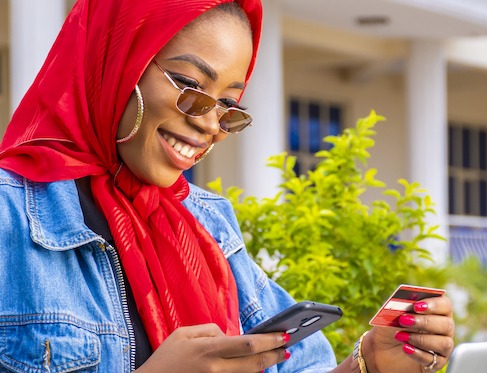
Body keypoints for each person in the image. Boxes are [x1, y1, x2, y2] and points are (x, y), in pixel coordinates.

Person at [0, 0, 455, 372]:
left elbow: (294, 365)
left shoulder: (206, 221)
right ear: (117, 61)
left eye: (228, 104)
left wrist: (369, 363)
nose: (208, 123)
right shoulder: (9, 216)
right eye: (189, 84)